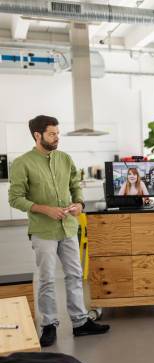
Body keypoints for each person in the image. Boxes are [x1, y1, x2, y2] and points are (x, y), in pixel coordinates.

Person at [8, 115, 110, 348]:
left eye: (57, 133)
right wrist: (45, 210)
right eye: (52, 134)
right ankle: (49, 325)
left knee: (75, 275)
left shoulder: (65, 159)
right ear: (37, 135)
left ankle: (80, 322)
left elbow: (75, 185)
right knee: (46, 279)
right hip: (43, 230)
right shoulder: (23, 163)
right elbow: (15, 198)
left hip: (69, 228)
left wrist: (79, 204)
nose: (57, 138)